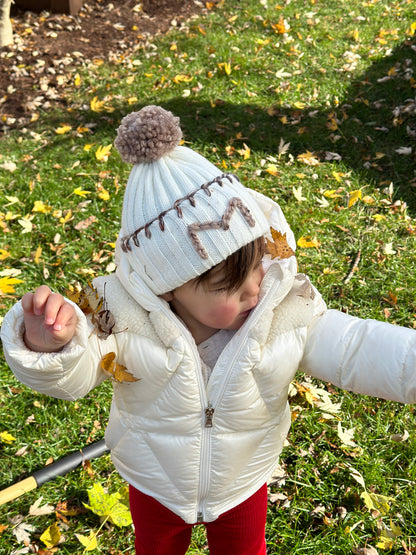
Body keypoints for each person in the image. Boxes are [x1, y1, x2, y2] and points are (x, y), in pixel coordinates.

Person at [1, 105, 416, 555]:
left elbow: (356, 347)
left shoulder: (285, 310)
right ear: (168, 287)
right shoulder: (117, 316)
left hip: (242, 479)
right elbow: (76, 372)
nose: (256, 289)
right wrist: (50, 347)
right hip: (155, 479)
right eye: (230, 288)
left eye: (257, 265)